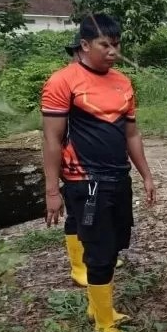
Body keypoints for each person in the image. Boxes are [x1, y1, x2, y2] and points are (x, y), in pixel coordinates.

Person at [41, 14, 156, 332]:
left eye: (116, 45)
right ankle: (103, 323)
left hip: (118, 177)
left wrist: (145, 173)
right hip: (85, 182)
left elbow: (131, 133)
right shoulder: (63, 82)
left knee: (117, 243)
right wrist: (51, 191)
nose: (112, 51)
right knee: (101, 252)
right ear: (85, 44)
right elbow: (51, 139)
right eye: (105, 45)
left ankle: (99, 303)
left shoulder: (122, 83)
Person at [60, 31, 124, 285]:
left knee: (91, 220)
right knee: (78, 216)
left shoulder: (101, 80)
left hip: (98, 168)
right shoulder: (67, 81)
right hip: (76, 165)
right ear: (81, 50)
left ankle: (96, 255)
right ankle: (79, 266)